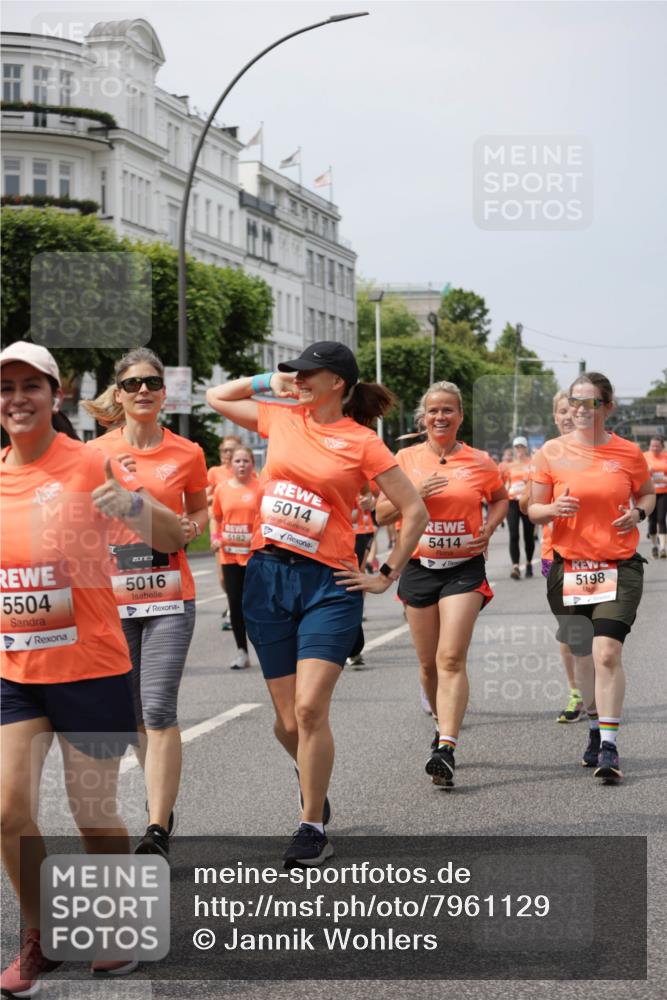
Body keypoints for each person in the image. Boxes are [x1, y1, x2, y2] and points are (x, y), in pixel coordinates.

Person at [0, 342, 184, 995]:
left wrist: (130, 505)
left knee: (92, 813)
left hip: (93, 668)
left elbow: (173, 537)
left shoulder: (90, 461)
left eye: (30, 386)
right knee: (5, 809)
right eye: (5, 387)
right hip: (15, 671)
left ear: (56, 394)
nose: (16, 398)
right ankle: (43, 933)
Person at [206, 341, 427, 867]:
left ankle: (310, 825)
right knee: (286, 722)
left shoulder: (363, 442)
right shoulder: (282, 417)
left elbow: (413, 508)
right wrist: (270, 382)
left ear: (339, 383)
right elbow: (217, 396)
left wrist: (386, 574)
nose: (299, 379)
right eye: (296, 373)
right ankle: (314, 784)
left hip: (330, 584)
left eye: (309, 373)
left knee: (309, 709)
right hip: (267, 577)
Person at [84, 348, 209, 860]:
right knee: (133, 714)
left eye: (151, 383)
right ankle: (161, 798)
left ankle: (156, 829)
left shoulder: (188, 452)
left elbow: (199, 507)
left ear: (164, 392)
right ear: (118, 392)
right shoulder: (94, 454)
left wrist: (193, 526)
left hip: (168, 594)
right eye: (132, 383)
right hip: (112, 600)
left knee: (158, 707)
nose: (142, 391)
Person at [376, 381, 508, 790]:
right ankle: (440, 723)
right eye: (433, 410)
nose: (440, 417)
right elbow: (381, 514)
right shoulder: (404, 459)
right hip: (419, 567)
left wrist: (488, 527)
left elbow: (501, 498)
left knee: (451, 658)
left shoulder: (480, 461)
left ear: (460, 416)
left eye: (448, 410)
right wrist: (412, 494)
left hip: (463, 569)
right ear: (423, 417)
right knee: (429, 664)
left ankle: (446, 747)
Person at [529, 372, 655, 783]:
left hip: (618, 566)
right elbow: (533, 508)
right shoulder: (550, 452)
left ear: (608, 407)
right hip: (569, 567)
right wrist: (551, 510)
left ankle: (610, 746)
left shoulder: (629, 453)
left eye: (590, 403)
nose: (581, 409)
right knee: (583, 656)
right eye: (575, 402)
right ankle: (594, 724)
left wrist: (638, 513)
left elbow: (647, 494)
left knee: (606, 653)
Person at [521, 391, 595, 724]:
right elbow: (526, 506)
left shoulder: (596, 451)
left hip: (597, 553)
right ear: (554, 416)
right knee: (571, 629)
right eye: (562, 411)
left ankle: (597, 691)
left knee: (597, 629)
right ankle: (577, 692)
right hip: (558, 554)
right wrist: (541, 497)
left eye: (573, 410)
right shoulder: (546, 454)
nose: (568, 416)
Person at [210, 445, 261, 669]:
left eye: (246, 461)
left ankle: (266, 648)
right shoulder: (222, 489)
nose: (241, 465)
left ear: (253, 464)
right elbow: (216, 517)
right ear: (231, 465)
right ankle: (242, 652)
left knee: (258, 604)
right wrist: (215, 537)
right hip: (229, 555)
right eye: (238, 461)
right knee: (235, 603)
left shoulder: (261, 488)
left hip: (255, 555)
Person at [207, 434, 245, 630]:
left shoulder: (245, 471)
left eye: (231, 450)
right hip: (223, 535)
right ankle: (232, 605)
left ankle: (236, 609)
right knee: (223, 577)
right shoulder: (215, 472)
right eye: (224, 450)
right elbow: (204, 496)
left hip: (245, 537)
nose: (227, 454)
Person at [346, 483, 377, 669]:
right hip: (330, 531)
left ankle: (353, 645)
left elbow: (379, 494)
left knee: (355, 578)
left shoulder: (361, 465)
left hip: (359, 531)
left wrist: (371, 500)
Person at [504, 436, 535, 578]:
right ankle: (515, 566)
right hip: (512, 502)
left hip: (527, 501)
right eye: (517, 447)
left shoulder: (532, 464)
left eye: (521, 446)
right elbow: (505, 484)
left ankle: (529, 563)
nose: (519, 450)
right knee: (514, 535)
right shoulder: (509, 466)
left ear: (526, 448)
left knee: (528, 536)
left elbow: (537, 481)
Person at [644, 435, 667, 558]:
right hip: (649, 493)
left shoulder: (665, 457)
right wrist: (645, 471)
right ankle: (654, 546)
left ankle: (663, 548)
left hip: (664, 492)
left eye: (657, 446)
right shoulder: (644, 456)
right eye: (652, 446)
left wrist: (664, 478)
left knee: (661, 519)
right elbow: (636, 473)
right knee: (652, 521)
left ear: (662, 446)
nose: (655, 448)